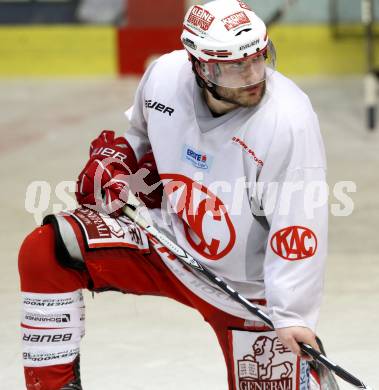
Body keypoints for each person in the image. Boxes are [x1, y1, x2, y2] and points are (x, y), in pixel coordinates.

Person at [18, 0, 329, 389]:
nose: (252, 76)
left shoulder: (288, 120)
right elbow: (142, 139)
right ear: (199, 65)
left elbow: (298, 225)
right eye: (234, 66)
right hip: (168, 241)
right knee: (48, 249)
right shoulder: (164, 76)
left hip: (248, 291)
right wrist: (116, 165)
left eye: (258, 59)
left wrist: (293, 315)